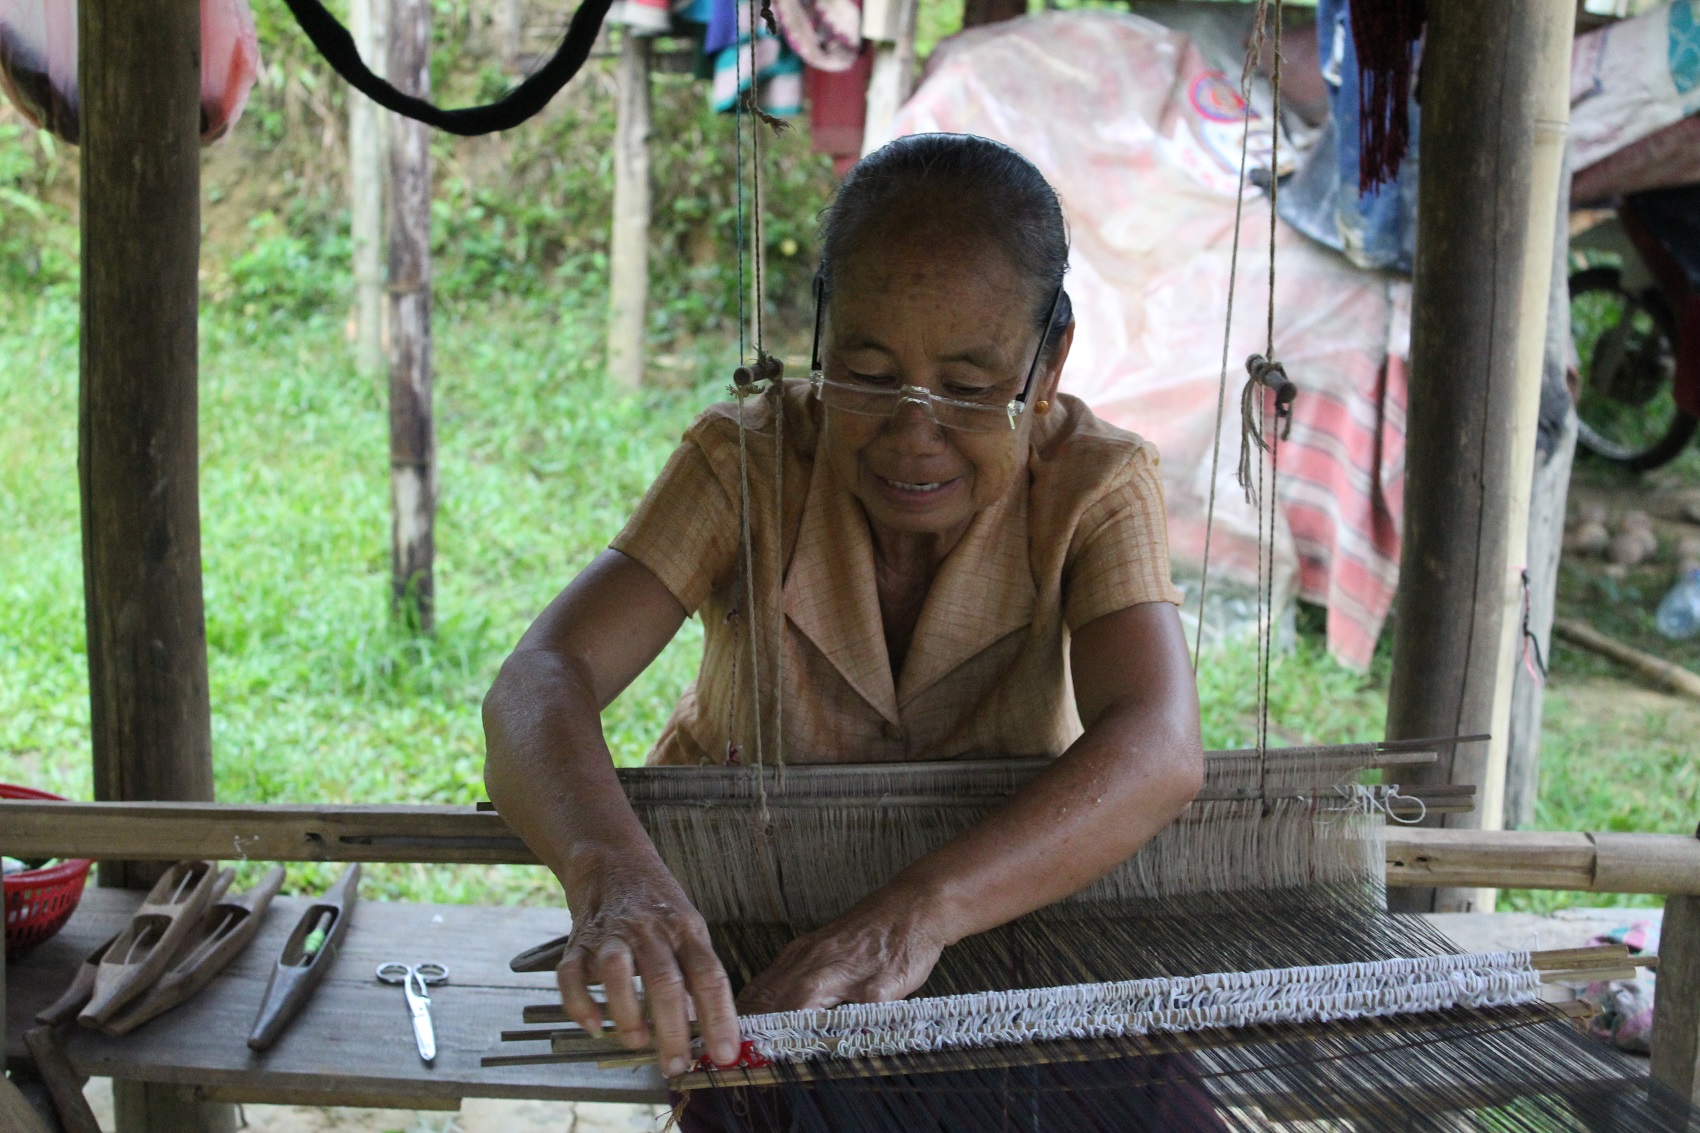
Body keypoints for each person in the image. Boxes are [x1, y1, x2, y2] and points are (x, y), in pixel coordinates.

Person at [482, 133, 1206, 1095]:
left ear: (1048, 365)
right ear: (821, 333)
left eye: (969, 388)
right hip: (745, 911)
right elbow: (541, 678)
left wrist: (914, 915)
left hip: (988, 911)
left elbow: (1159, 744)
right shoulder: (748, 463)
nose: (914, 433)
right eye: (866, 372)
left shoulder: (1094, 485)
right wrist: (614, 874)